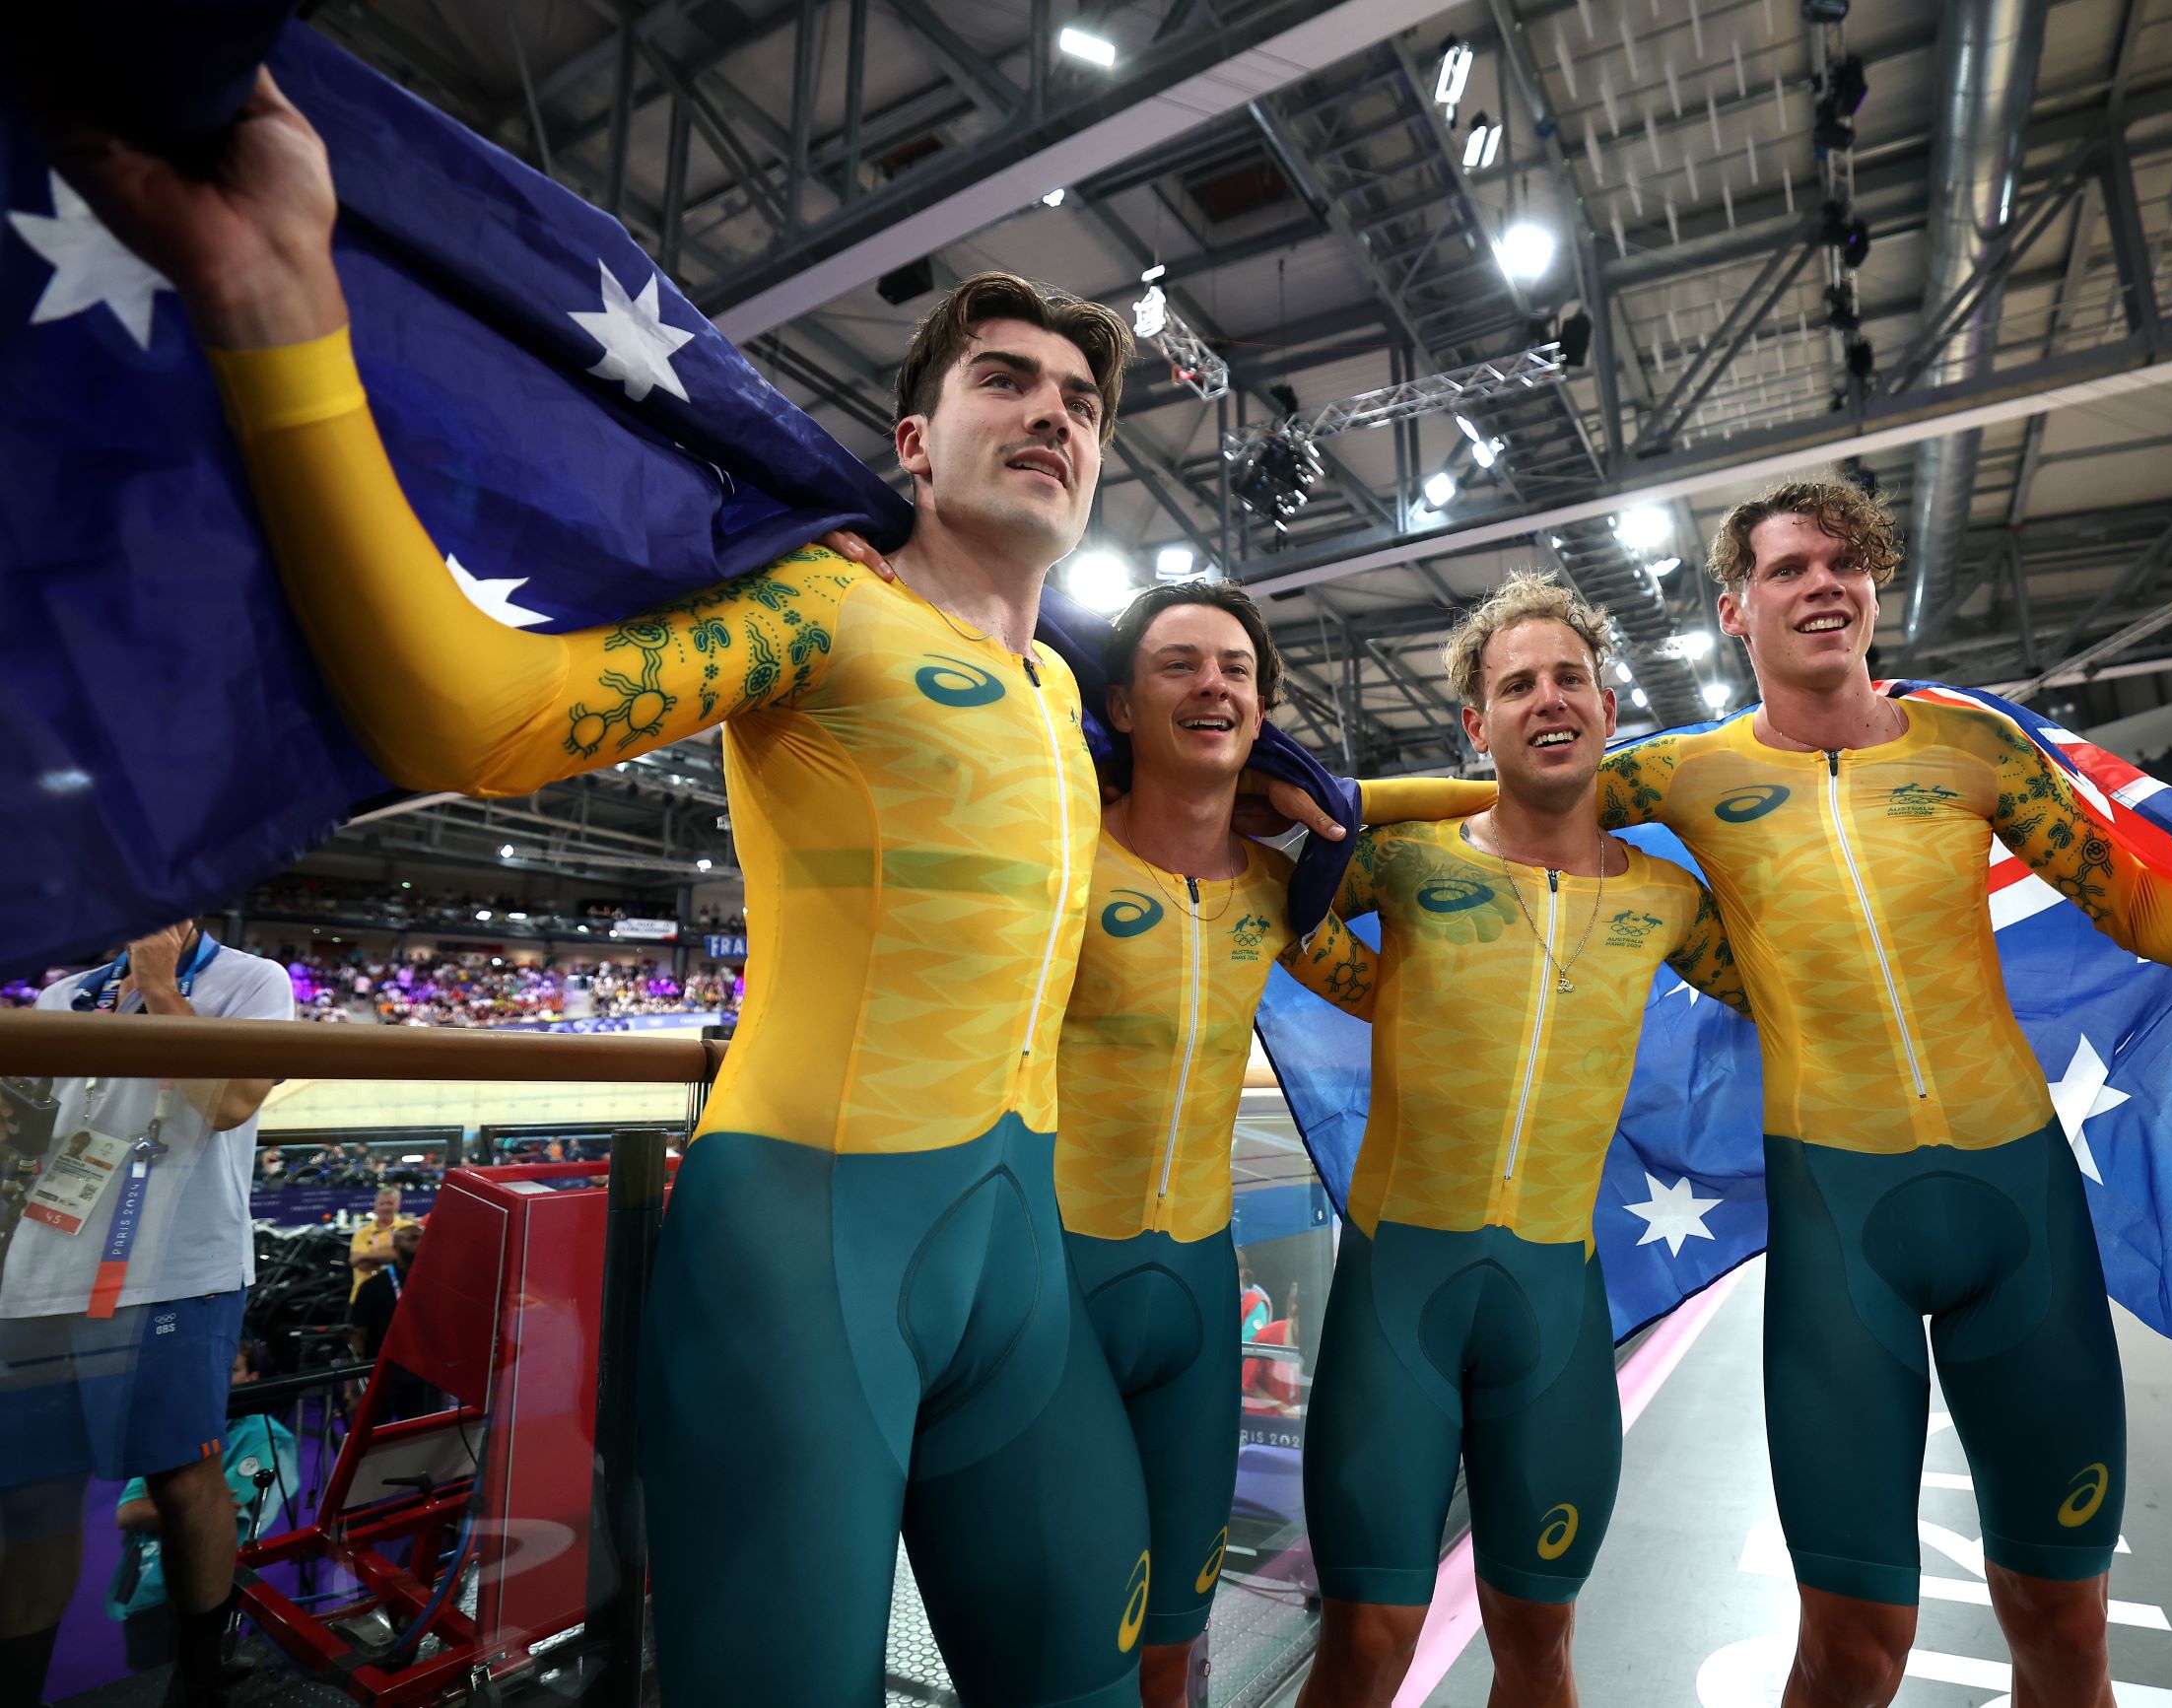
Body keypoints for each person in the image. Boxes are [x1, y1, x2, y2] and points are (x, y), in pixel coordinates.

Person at [60, 71, 1345, 1707]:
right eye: (1004, 381)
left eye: (1083, 402)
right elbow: (476, 709)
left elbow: (1212, 761)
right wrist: (276, 301)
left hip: (1014, 1267)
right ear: (912, 439)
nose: (1055, 414)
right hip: (807, 1252)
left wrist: (1361, 802)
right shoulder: (825, 611)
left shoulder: (1051, 699)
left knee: (1089, 1670)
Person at [1584, 479, 2172, 1708]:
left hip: (2018, 1214)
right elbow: (1485, 820)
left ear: (1872, 586)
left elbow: (2131, 898)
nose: (1822, 583)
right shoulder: (1679, 775)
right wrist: (1299, 813)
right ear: (1732, 608)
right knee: (1850, 1644)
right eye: (1790, 566)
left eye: (1843, 562)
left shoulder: (1972, 748)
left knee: (2063, 1630)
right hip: (1838, 1226)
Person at [1295, 577, 1751, 1708]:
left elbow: (1804, 994)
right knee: (1366, 1643)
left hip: (1553, 1309)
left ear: (1606, 704)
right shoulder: (1406, 861)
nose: (1546, 700)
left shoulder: (1663, 898)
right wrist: (1431, 801)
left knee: (1541, 1647)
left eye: (1567, 680)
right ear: (1475, 723)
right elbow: (1256, 868)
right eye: (1515, 686)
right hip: (1396, 1299)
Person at [1051, 582, 1379, 1708]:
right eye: (1181, 664)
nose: (1213, 686)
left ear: (1263, 709)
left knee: (1172, 1636)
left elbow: (1393, 988)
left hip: (1195, 1293)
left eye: (1236, 669)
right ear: (1121, 705)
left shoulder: (1279, 895)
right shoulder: (1055, 856)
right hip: (1047, 1290)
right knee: (1056, 1629)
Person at [0, 922, 292, 1708]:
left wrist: (162, 989)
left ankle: (203, 1675)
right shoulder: (67, 996)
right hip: (36, 1276)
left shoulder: (252, 981)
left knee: (178, 1473)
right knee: (32, 1494)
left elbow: (228, 1102)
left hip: (175, 1269)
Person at [106, 1342, 301, 1673]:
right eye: (214, 1371)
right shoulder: (174, 1424)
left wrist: (169, 1507)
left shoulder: (265, 1437)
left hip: (219, 1575)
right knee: (149, 1672)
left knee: (205, 1665)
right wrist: (192, 1508)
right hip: (148, 1583)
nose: (220, 1380)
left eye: (233, 1370)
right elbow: (127, 1512)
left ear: (253, 1378)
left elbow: (215, 1516)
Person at [348, 1223, 436, 1419]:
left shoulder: (437, 1285)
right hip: (383, 1375)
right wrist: (356, 1389)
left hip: (424, 1376)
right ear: (395, 1248)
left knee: (422, 1438)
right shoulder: (373, 1287)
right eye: (412, 1238)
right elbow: (357, 1337)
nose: (420, 1242)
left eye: (422, 1237)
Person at [345, 1187, 411, 1300]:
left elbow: (407, 1260)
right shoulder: (361, 1233)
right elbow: (360, 1264)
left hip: (400, 1296)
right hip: (365, 1297)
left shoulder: (408, 1228)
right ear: (375, 1206)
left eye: (390, 1203)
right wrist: (391, 1254)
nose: (385, 1207)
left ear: (398, 1205)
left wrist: (366, 1255)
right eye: (382, 1203)